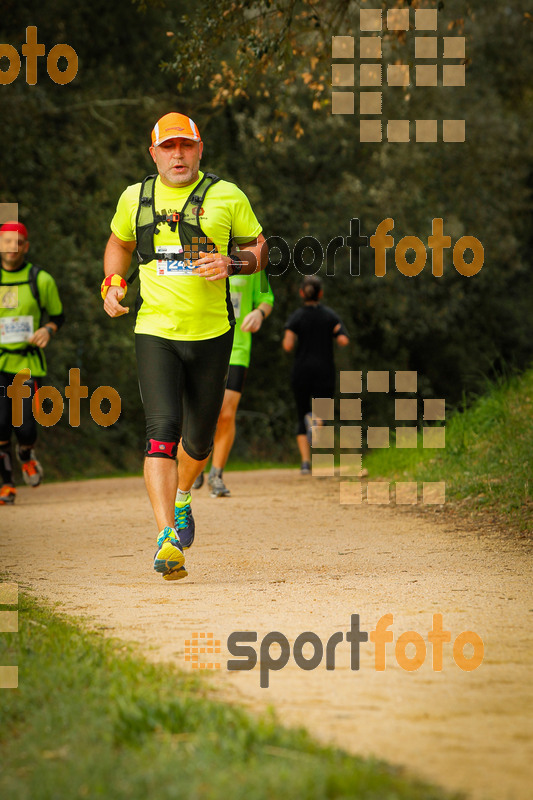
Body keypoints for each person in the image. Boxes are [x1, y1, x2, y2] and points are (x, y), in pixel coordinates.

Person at [103, 111, 267, 581]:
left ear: (200, 149)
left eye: (186, 146)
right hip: (155, 331)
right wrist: (113, 282)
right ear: (153, 153)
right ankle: (166, 539)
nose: (178, 155)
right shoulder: (135, 198)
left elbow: (260, 249)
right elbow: (118, 243)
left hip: (213, 334)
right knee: (161, 433)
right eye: (168, 147)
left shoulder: (226, 195)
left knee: (197, 440)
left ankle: (183, 495)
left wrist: (232, 263)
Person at [193, 270, 274, 497]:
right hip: (202, 344)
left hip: (236, 349)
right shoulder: (202, 253)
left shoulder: (252, 263)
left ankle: (216, 475)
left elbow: (267, 297)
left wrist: (259, 312)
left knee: (226, 413)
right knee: (200, 411)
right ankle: (194, 462)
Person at [0, 221, 64, 504]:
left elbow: (58, 316)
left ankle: (26, 454)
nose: (12, 248)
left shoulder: (41, 280)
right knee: (1, 425)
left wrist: (48, 330)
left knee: (24, 428)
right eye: (6, 241)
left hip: (27, 365)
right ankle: (7, 484)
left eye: (18, 242)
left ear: (25, 246)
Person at [282, 275, 349, 474]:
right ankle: (317, 422)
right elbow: (343, 339)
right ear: (321, 293)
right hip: (324, 371)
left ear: (301, 293)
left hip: (301, 371)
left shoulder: (296, 317)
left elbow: (287, 345)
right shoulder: (330, 316)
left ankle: (305, 463)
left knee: (300, 414)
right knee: (322, 413)